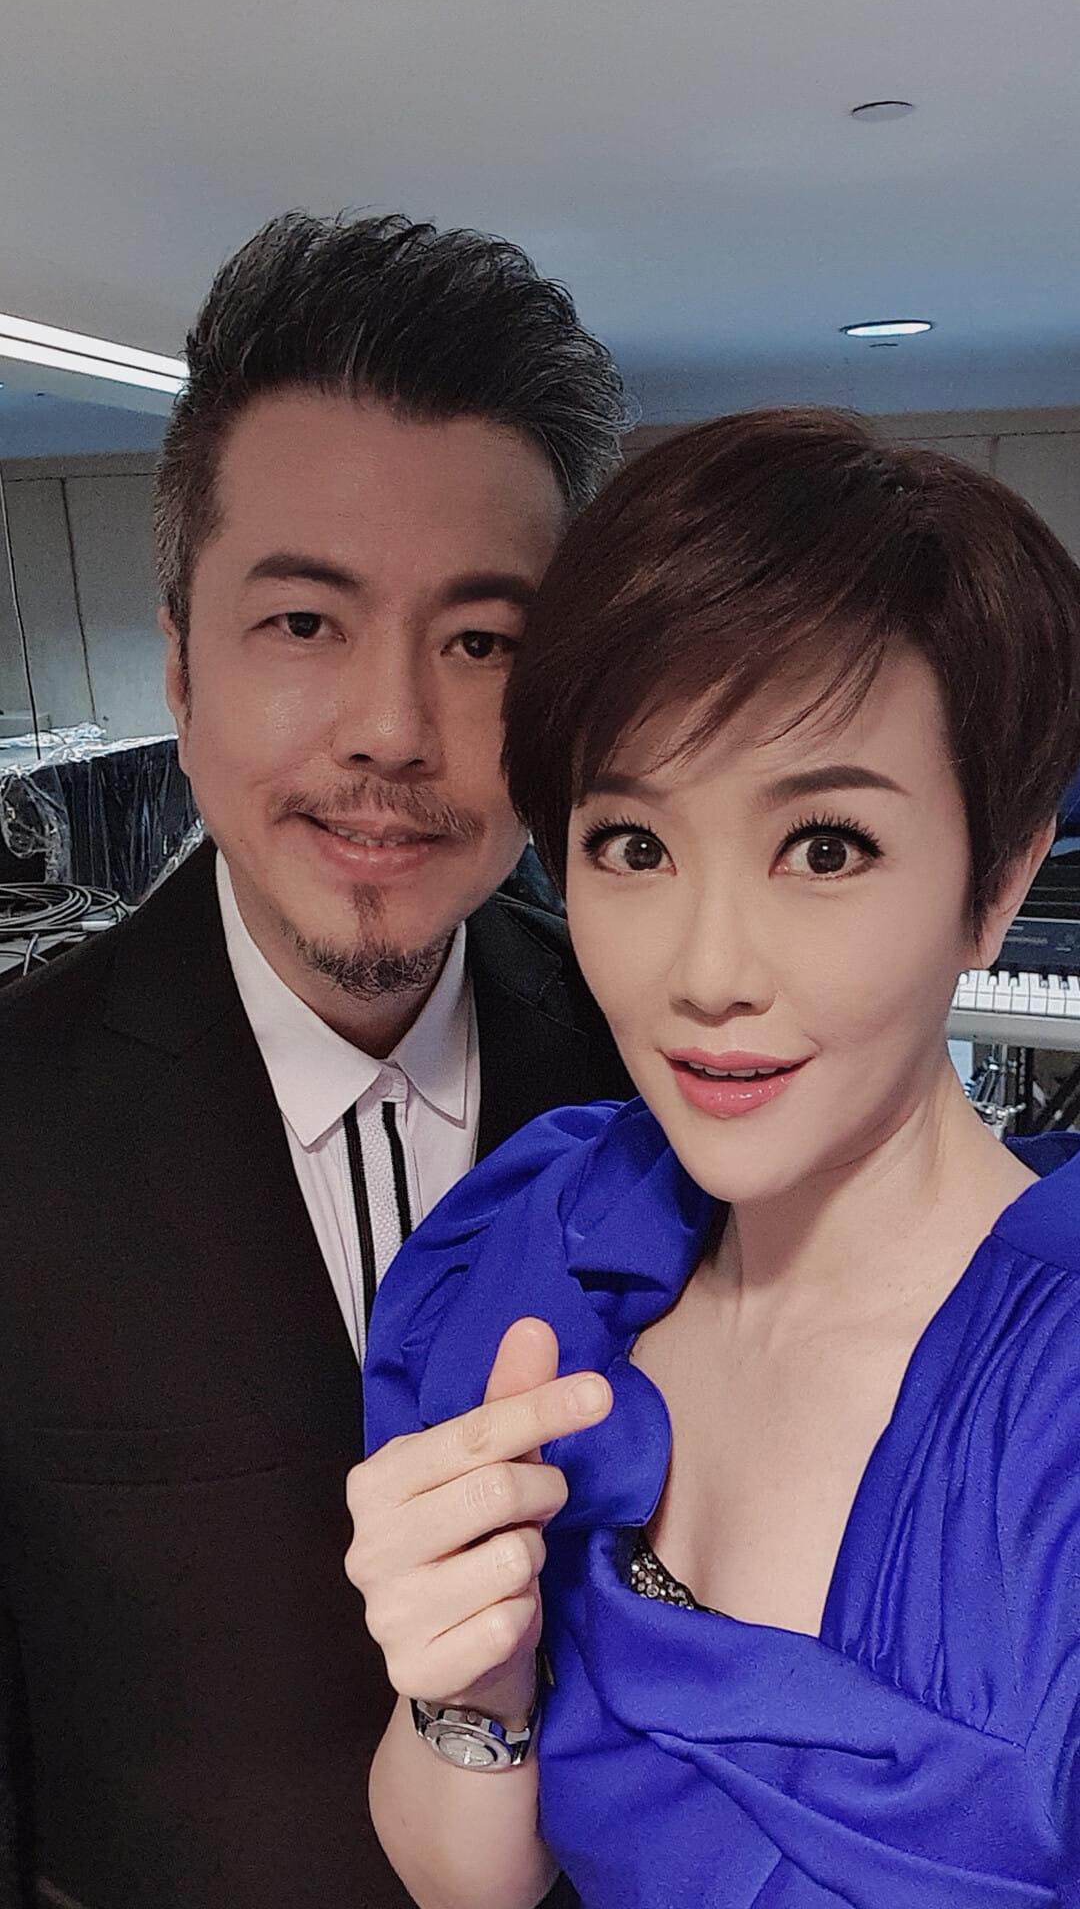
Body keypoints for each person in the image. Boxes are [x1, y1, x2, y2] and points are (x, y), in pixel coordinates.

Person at [351, 407, 1080, 1908]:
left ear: (998, 882)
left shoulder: (1052, 1416)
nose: (707, 972)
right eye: (633, 845)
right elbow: (471, 1882)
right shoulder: (543, 1249)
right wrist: (468, 1693)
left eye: (825, 847)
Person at [0, 212, 631, 1909]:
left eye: (482, 642)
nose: (395, 731)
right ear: (181, 670)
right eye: (303, 623)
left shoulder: (659, 1089)